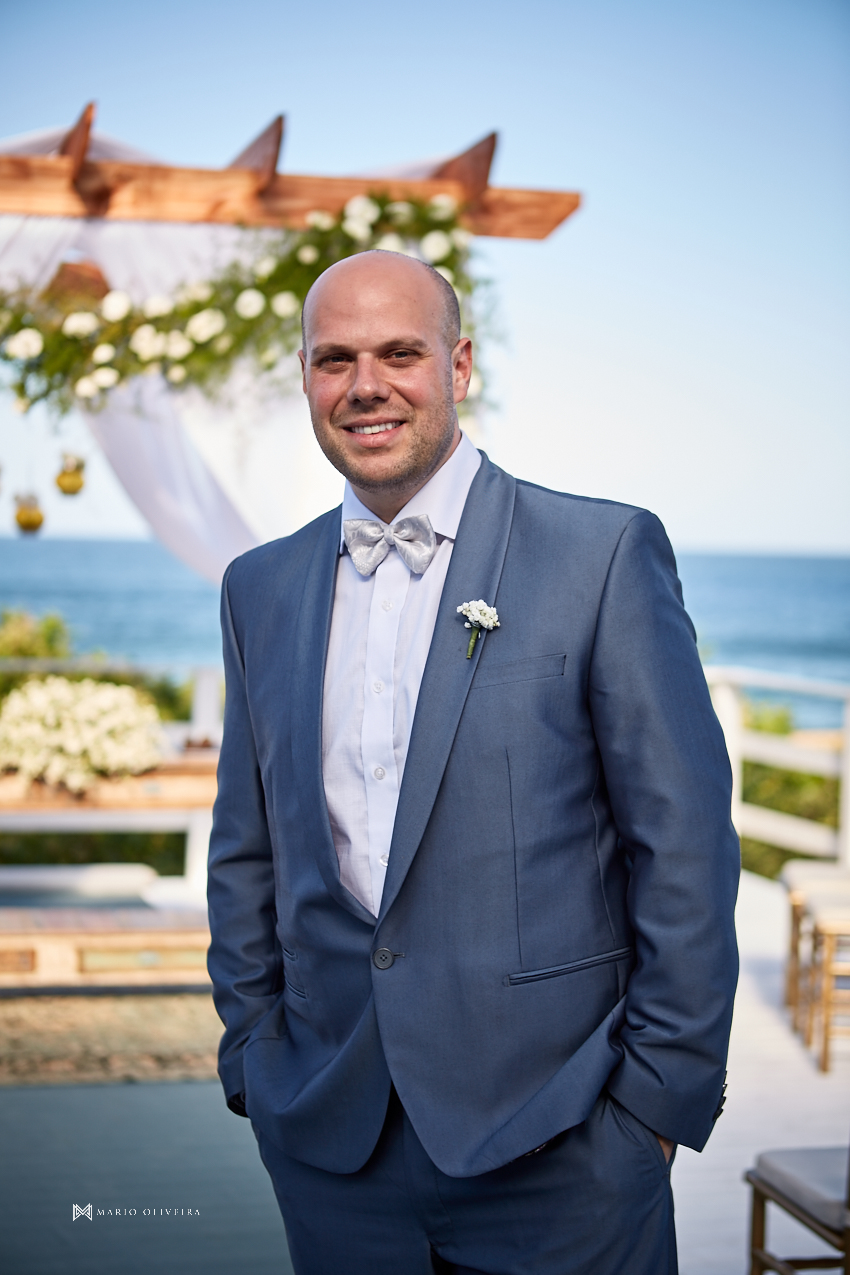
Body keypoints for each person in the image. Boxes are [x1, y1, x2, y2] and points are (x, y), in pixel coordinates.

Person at [207, 249, 739, 1275]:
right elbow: (247, 849)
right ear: (307, 380)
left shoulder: (602, 555)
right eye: (335, 360)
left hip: (564, 1145)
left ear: (458, 365)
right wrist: (253, 1057)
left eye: (400, 353)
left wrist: (652, 1109)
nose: (366, 385)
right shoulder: (257, 587)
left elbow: (680, 849)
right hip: (331, 1148)